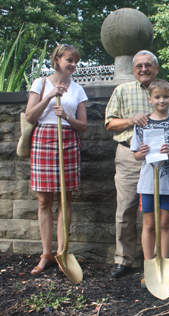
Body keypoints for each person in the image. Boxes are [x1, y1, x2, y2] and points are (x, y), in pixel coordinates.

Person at [105, 50, 169, 278]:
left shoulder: (168, 92)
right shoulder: (122, 91)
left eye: (148, 65)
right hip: (132, 156)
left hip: (164, 160)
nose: (143, 69)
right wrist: (132, 120)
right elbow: (109, 123)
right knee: (127, 208)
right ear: (133, 70)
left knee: (161, 214)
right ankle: (124, 259)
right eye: (139, 66)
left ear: (156, 68)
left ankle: (158, 260)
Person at [25, 43, 88, 275]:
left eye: (75, 61)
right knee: (44, 202)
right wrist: (50, 96)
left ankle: (62, 253)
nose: (73, 65)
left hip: (68, 141)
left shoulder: (78, 90)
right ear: (57, 59)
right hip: (44, 140)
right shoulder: (40, 84)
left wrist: (68, 117)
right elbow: (30, 116)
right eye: (69, 60)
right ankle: (46, 254)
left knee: (65, 201)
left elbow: (83, 126)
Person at [131, 79, 169, 286]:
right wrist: (142, 152)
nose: (161, 100)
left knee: (165, 224)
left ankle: (165, 263)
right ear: (150, 99)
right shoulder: (142, 125)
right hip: (148, 184)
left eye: (166, 97)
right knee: (149, 225)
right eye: (157, 97)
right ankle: (149, 265)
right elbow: (136, 157)